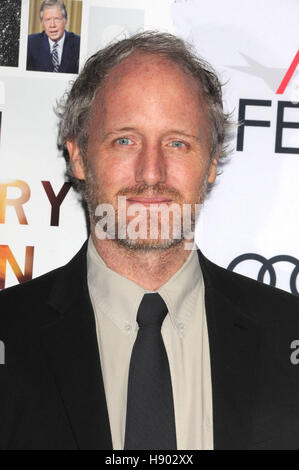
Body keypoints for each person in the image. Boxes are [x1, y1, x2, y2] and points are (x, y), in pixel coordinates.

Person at [1, 31, 299, 451]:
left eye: (177, 143)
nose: (153, 172)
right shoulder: (9, 334)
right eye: (125, 140)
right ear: (79, 157)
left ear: (211, 162)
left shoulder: (289, 334)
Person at [27, 0, 80, 73]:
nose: (52, 25)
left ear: (65, 21)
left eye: (57, 19)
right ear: (42, 23)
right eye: (48, 20)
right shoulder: (30, 43)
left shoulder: (79, 44)